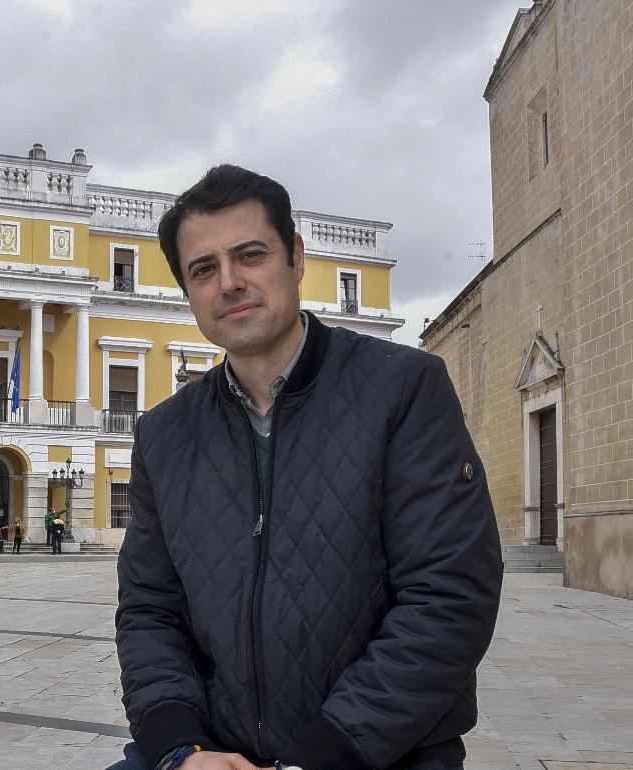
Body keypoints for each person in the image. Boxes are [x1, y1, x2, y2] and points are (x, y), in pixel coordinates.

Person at [111, 165, 503, 770]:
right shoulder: (163, 435)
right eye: (204, 269)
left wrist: (327, 753)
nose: (230, 282)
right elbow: (149, 610)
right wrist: (179, 749)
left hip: (376, 754)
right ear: (188, 292)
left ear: (295, 258)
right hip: (213, 754)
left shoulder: (402, 389)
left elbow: (448, 597)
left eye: (250, 255)